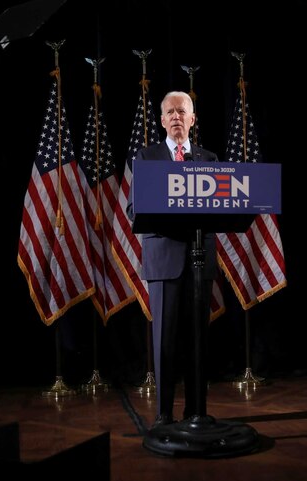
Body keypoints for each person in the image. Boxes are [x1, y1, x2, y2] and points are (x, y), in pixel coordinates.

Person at [129, 91, 219, 429]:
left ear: (193, 119)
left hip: (200, 260)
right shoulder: (147, 157)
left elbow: (220, 204)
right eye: (171, 112)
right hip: (164, 259)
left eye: (183, 111)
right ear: (162, 120)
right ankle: (164, 414)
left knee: (198, 340)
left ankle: (197, 410)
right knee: (164, 341)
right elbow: (132, 208)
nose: (177, 117)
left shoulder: (209, 159)